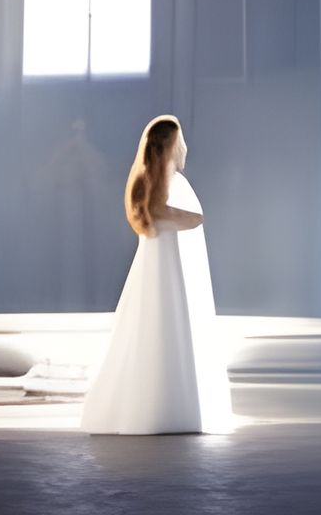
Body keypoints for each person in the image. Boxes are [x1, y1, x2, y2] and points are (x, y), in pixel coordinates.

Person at [79, 115, 232, 434]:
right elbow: (171, 214)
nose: (185, 148)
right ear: (170, 147)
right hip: (163, 266)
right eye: (180, 142)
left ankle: (159, 406)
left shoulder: (151, 181)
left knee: (152, 322)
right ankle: (166, 407)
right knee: (161, 321)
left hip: (161, 264)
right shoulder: (161, 184)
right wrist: (191, 217)